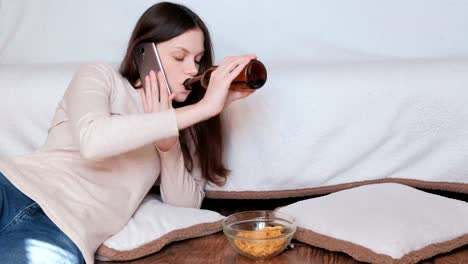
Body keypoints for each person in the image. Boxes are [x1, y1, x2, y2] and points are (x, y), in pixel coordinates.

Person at [0, 2, 257, 263]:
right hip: (11, 186)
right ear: (144, 53)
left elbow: (184, 205)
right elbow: (94, 142)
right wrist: (201, 109)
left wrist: (168, 145)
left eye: (198, 60)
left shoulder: (183, 125)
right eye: (180, 57)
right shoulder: (101, 77)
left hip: (60, 231)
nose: (193, 70)